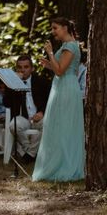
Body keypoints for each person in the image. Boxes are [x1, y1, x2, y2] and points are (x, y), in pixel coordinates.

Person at [32, 18, 84, 182]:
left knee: (64, 126)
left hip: (66, 88)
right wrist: (49, 64)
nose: (53, 31)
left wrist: (50, 53)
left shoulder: (69, 45)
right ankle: (60, 163)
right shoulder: (68, 45)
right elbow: (60, 69)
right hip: (64, 86)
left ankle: (65, 167)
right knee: (61, 125)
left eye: (55, 28)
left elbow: (61, 71)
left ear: (65, 28)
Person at [3, 54, 51, 163]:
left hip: (38, 116)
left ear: (32, 68)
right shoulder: (11, 83)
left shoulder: (41, 81)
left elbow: (50, 100)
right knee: (13, 126)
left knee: (48, 124)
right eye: (19, 67)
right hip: (23, 117)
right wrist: (13, 84)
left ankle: (29, 155)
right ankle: (30, 151)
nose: (22, 70)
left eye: (26, 67)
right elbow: (6, 103)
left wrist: (42, 112)